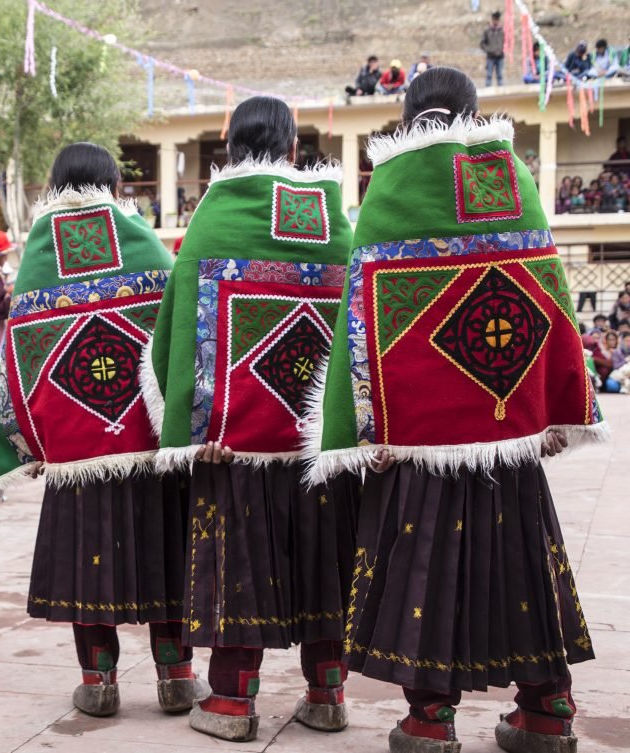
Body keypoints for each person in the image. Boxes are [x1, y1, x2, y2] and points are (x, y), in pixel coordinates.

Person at [308, 66, 606, 753]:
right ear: (473, 112)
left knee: (424, 569)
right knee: (525, 561)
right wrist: (556, 410)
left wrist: (359, 428)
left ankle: (431, 718)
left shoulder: (394, 182)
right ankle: (548, 708)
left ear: (408, 115)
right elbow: (547, 297)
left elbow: (363, 316)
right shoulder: (516, 179)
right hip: (508, 432)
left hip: (421, 436)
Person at [143, 96, 360, 743]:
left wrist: (187, 428)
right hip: (317, 442)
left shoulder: (212, 222)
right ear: (294, 150)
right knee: (326, 564)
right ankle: (327, 693)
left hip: (233, 445)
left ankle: (234, 703)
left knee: (238, 569)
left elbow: (174, 335)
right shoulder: (333, 223)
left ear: (228, 149)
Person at [0, 141, 207, 718]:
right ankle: (177, 674)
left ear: (56, 184)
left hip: (76, 449)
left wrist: (30, 441)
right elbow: (177, 337)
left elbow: (18, 361)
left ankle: (99, 681)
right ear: (112, 183)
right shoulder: (145, 245)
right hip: (145, 443)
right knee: (163, 553)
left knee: (89, 565)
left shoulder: (38, 255)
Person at [481, 11, 505, 86]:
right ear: (492, 19)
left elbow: (507, 41)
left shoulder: (502, 31)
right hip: (490, 57)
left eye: (497, 19)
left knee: (500, 75)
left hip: (500, 56)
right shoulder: (487, 31)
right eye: (494, 19)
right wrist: (488, 50)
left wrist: (503, 49)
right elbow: (482, 43)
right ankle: (487, 91)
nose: (496, 21)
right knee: (489, 75)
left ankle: (501, 92)